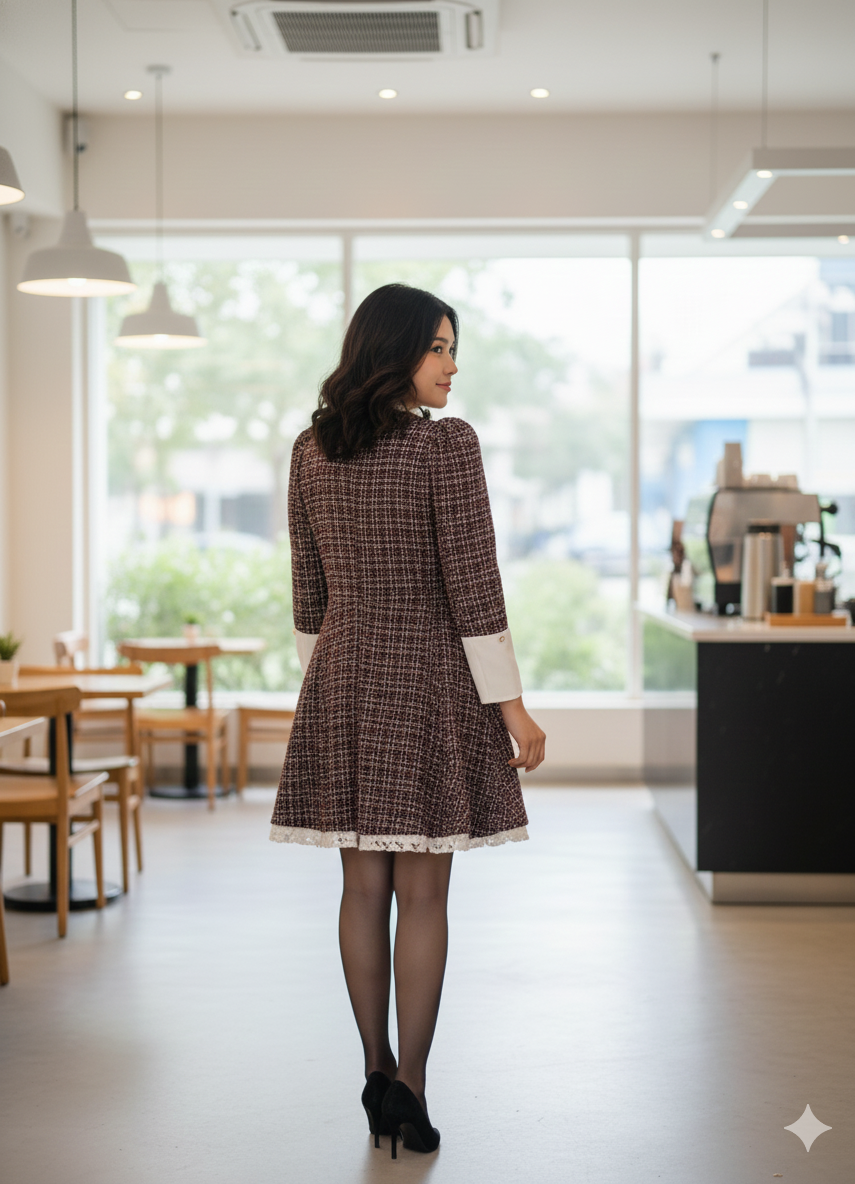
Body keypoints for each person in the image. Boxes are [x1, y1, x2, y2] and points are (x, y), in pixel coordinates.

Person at [270, 283, 545, 1158]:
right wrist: (514, 708)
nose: (452, 366)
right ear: (393, 351)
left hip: (344, 679)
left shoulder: (310, 451)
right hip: (427, 680)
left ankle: (374, 1070)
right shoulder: (445, 449)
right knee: (423, 893)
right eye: (438, 348)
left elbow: (308, 595)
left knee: (361, 891)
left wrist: (328, 693)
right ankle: (413, 1092)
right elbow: (473, 584)